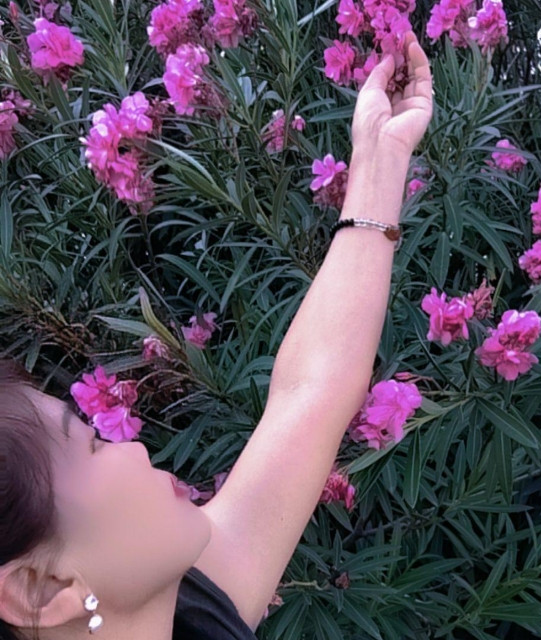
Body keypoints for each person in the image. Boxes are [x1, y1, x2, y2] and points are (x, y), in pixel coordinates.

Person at [0, 30, 432, 640]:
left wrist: (380, 157)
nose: (134, 449)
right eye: (92, 445)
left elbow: (312, 392)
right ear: (40, 589)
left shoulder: (194, 613)